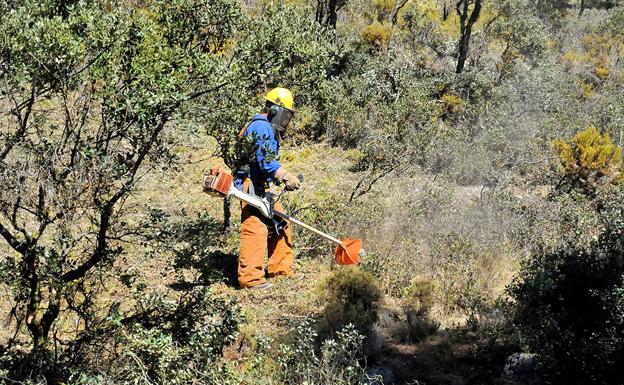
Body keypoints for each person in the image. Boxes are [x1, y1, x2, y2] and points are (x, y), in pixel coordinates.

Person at [235, 87, 302, 289]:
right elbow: (267, 162)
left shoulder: (263, 126)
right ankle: (250, 279)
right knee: (256, 228)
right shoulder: (262, 127)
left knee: (280, 221)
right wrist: (284, 175)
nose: (286, 121)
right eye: (286, 115)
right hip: (250, 185)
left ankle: (280, 271)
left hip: (260, 183)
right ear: (275, 110)